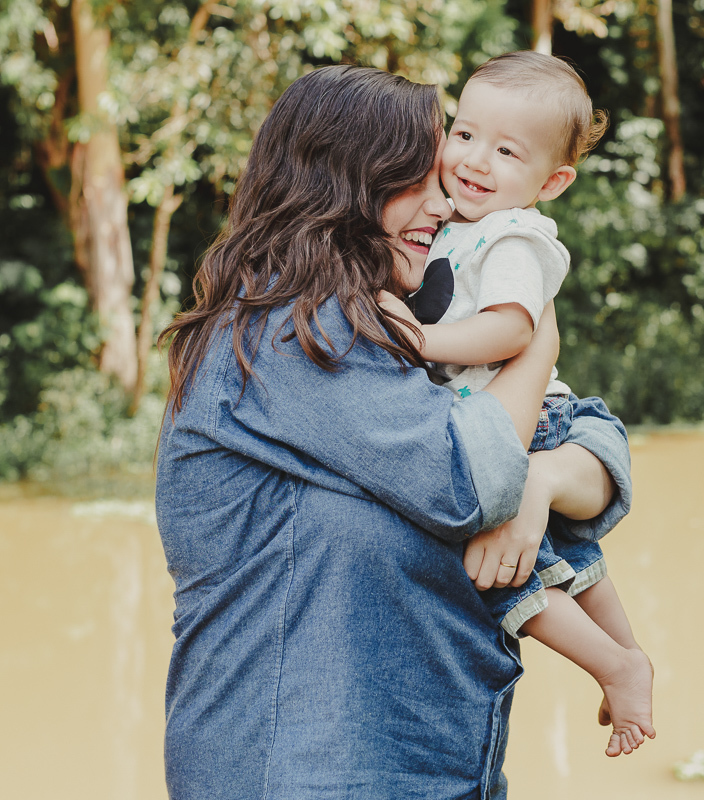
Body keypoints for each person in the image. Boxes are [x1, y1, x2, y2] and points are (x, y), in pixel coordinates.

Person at [154, 65, 632, 799]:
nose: (447, 201)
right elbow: (472, 481)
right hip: (302, 773)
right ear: (345, 185)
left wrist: (544, 478)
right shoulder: (285, 335)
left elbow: (586, 434)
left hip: (432, 767)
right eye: (423, 177)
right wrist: (538, 342)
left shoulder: (376, 327)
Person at [381, 51, 654, 758]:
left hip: (533, 421)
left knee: (502, 576)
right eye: (465, 134)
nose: (474, 160)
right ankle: (627, 655)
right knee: (573, 557)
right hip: (500, 416)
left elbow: (512, 326)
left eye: (507, 151)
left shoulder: (513, 236)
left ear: (552, 181)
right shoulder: (456, 222)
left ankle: (615, 662)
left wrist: (419, 338)